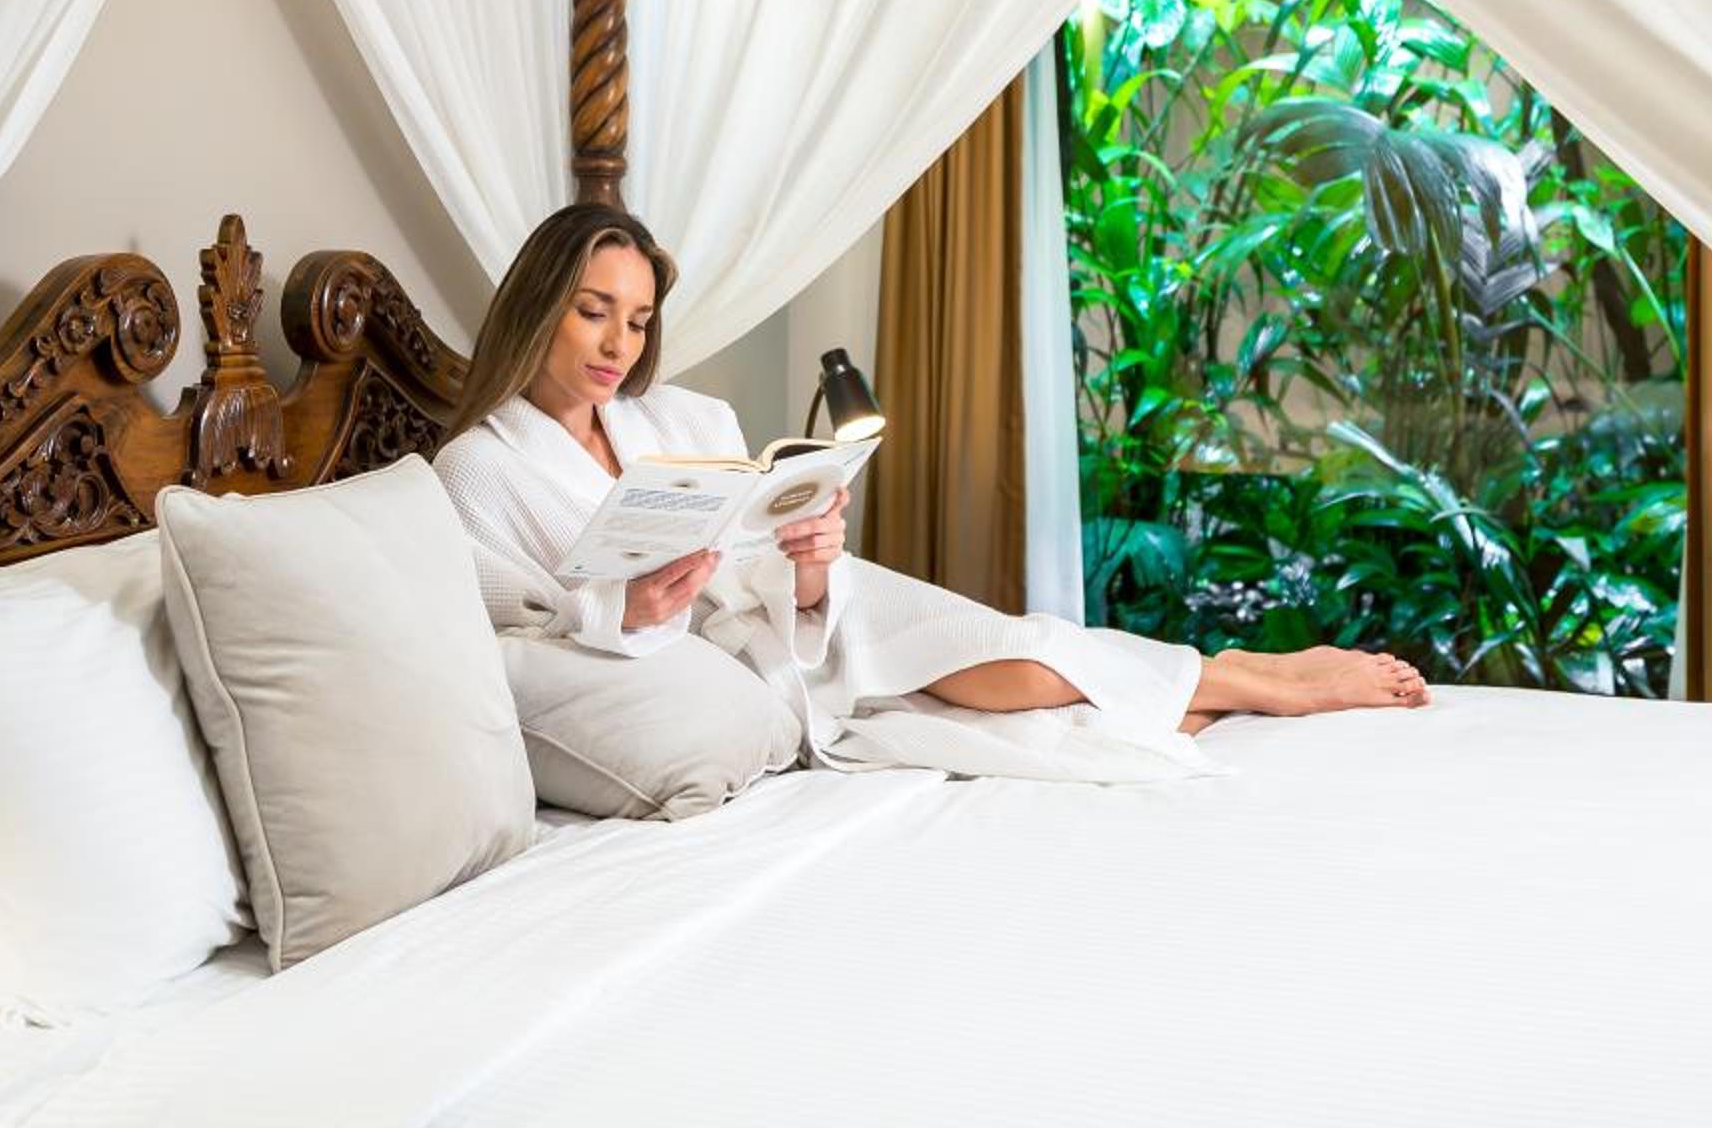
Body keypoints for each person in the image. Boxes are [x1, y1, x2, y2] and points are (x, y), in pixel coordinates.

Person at [432, 204, 1427, 783]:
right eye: (593, 311)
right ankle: (1239, 678)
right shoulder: (478, 468)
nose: (619, 344)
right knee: (1003, 713)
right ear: (541, 303)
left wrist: (810, 561)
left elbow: (753, 553)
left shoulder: (684, 421)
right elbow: (505, 633)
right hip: (739, 663)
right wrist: (624, 608)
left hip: (806, 620)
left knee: (1017, 650)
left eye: (640, 320)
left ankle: (1246, 675)